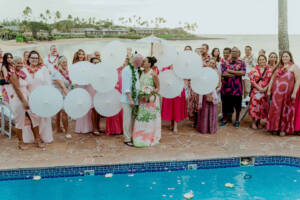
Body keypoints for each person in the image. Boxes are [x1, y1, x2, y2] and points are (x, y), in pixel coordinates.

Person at [2, 56, 42, 149]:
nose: (20, 65)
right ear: (13, 64)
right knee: (19, 121)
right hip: (18, 99)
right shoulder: (12, 74)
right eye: (18, 63)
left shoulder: (22, 73)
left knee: (35, 117)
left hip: (27, 97)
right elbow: (17, 89)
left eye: (21, 63)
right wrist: (24, 102)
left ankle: (37, 139)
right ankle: (20, 142)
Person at [23, 50, 53, 145]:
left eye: (36, 58)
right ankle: (35, 138)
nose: (34, 60)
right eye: (32, 58)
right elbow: (22, 85)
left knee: (43, 118)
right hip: (29, 97)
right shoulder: (23, 70)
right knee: (32, 118)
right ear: (28, 59)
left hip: (42, 97)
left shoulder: (43, 69)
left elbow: (48, 84)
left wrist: (47, 96)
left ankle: (44, 136)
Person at [267, 51, 299, 136]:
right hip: (276, 95)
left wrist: (294, 92)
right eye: (283, 56)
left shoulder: (294, 67)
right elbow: (272, 79)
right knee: (275, 111)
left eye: (286, 56)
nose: (285, 58)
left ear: (290, 57)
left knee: (285, 111)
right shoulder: (279, 67)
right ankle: (274, 127)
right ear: (281, 58)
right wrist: (269, 90)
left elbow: (298, 80)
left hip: (287, 95)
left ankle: (283, 129)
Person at [132, 56, 161, 147]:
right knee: (141, 118)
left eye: (144, 61)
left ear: (149, 64)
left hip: (151, 100)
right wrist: (141, 94)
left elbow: (158, 88)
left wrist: (150, 93)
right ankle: (140, 137)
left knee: (150, 119)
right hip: (142, 100)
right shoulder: (141, 73)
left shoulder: (153, 74)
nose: (143, 62)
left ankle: (149, 136)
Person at [220, 47, 246, 128]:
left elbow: (243, 73)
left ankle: (237, 120)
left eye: (236, 51)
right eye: (233, 51)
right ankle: (225, 119)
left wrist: (230, 71)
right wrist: (237, 73)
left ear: (238, 53)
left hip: (237, 88)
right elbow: (223, 74)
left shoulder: (242, 62)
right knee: (226, 104)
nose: (234, 53)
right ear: (231, 52)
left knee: (237, 106)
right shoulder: (225, 62)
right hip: (226, 87)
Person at [121, 54, 143, 146]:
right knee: (127, 119)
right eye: (141, 61)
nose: (142, 63)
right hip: (128, 99)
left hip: (136, 99)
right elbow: (126, 87)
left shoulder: (138, 70)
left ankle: (132, 136)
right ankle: (127, 138)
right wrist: (130, 99)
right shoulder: (127, 70)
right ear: (137, 62)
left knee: (133, 119)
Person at [196, 58, 221, 134]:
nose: (211, 64)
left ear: (215, 65)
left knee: (211, 111)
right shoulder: (204, 71)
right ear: (208, 63)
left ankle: (211, 128)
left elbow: (218, 84)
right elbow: (200, 82)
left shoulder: (216, 72)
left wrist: (210, 93)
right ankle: (203, 128)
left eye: (213, 63)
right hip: (203, 94)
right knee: (204, 111)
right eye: (210, 62)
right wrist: (206, 92)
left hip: (213, 93)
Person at [73, 49, 94, 134]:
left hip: (86, 85)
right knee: (80, 105)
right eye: (79, 54)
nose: (81, 56)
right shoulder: (74, 65)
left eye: (82, 54)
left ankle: (88, 127)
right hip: (79, 85)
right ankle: (80, 127)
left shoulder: (86, 64)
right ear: (77, 55)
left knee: (87, 105)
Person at [248, 55, 272, 129]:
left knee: (262, 107)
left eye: (263, 59)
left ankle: (258, 121)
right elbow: (252, 81)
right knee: (254, 106)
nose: (262, 61)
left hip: (264, 91)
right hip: (256, 91)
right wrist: (259, 88)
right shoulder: (253, 69)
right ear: (258, 61)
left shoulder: (269, 70)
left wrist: (265, 89)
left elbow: (271, 81)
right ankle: (253, 122)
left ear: (265, 60)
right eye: (260, 59)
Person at [52, 56, 72, 139]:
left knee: (59, 111)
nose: (65, 64)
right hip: (59, 94)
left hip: (65, 93)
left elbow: (70, 84)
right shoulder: (56, 73)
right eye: (63, 62)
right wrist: (71, 97)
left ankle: (58, 128)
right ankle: (67, 131)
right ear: (59, 63)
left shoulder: (67, 72)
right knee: (64, 112)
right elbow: (63, 86)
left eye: (66, 62)